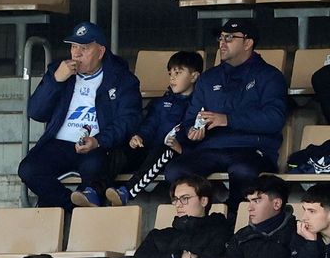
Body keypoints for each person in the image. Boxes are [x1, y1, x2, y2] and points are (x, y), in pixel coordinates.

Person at [16, 22, 142, 209]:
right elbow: (36, 112)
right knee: (28, 169)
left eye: (84, 48)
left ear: (100, 52)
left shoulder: (122, 78)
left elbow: (129, 120)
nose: (76, 53)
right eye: (74, 46)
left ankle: (83, 208)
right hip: (60, 143)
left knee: (94, 168)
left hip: (98, 146)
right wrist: (56, 81)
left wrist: (99, 141)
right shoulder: (58, 73)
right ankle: (74, 208)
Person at [162, 18, 288, 197]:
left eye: (229, 38)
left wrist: (228, 120)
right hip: (210, 149)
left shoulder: (269, 76)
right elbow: (189, 120)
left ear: (248, 43)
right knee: (175, 171)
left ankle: (235, 218)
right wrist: (192, 132)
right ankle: (196, 221)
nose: (222, 43)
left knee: (243, 170)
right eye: (220, 38)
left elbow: (274, 118)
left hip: (251, 149)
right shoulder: (208, 78)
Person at [73, 50, 202, 207]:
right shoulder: (161, 102)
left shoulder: (199, 105)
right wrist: (139, 136)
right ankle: (94, 191)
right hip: (150, 150)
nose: (172, 77)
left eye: (178, 72)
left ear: (194, 76)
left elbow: (197, 135)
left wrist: (181, 147)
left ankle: (127, 192)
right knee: (120, 151)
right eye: (170, 73)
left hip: (175, 154)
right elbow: (150, 124)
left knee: (164, 149)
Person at [131, 175, 230, 258]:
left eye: (185, 199)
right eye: (176, 199)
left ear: (204, 201)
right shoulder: (158, 235)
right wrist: (177, 257)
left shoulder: (218, 232)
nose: (178, 204)